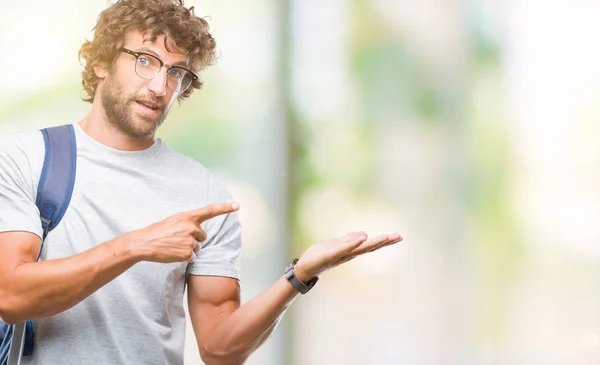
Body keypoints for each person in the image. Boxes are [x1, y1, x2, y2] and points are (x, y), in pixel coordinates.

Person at [0, 0, 402, 364]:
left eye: (176, 72)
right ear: (102, 61)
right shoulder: (27, 158)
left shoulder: (204, 194)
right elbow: (11, 295)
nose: (160, 86)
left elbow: (219, 349)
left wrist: (299, 276)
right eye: (145, 60)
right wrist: (136, 245)